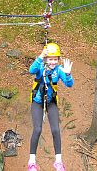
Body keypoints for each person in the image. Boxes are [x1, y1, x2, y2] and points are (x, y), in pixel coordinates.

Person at [28, 43, 74, 171]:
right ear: (46, 59)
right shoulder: (40, 67)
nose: (53, 62)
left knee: (55, 130)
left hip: (51, 102)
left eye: (55, 59)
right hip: (37, 101)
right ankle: (31, 162)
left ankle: (58, 162)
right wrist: (41, 56)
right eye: (50, 59)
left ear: (58, 60)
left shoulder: (58, 70)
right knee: (37, 129)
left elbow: (69, 84)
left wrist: (68, 74)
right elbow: (31, 70)